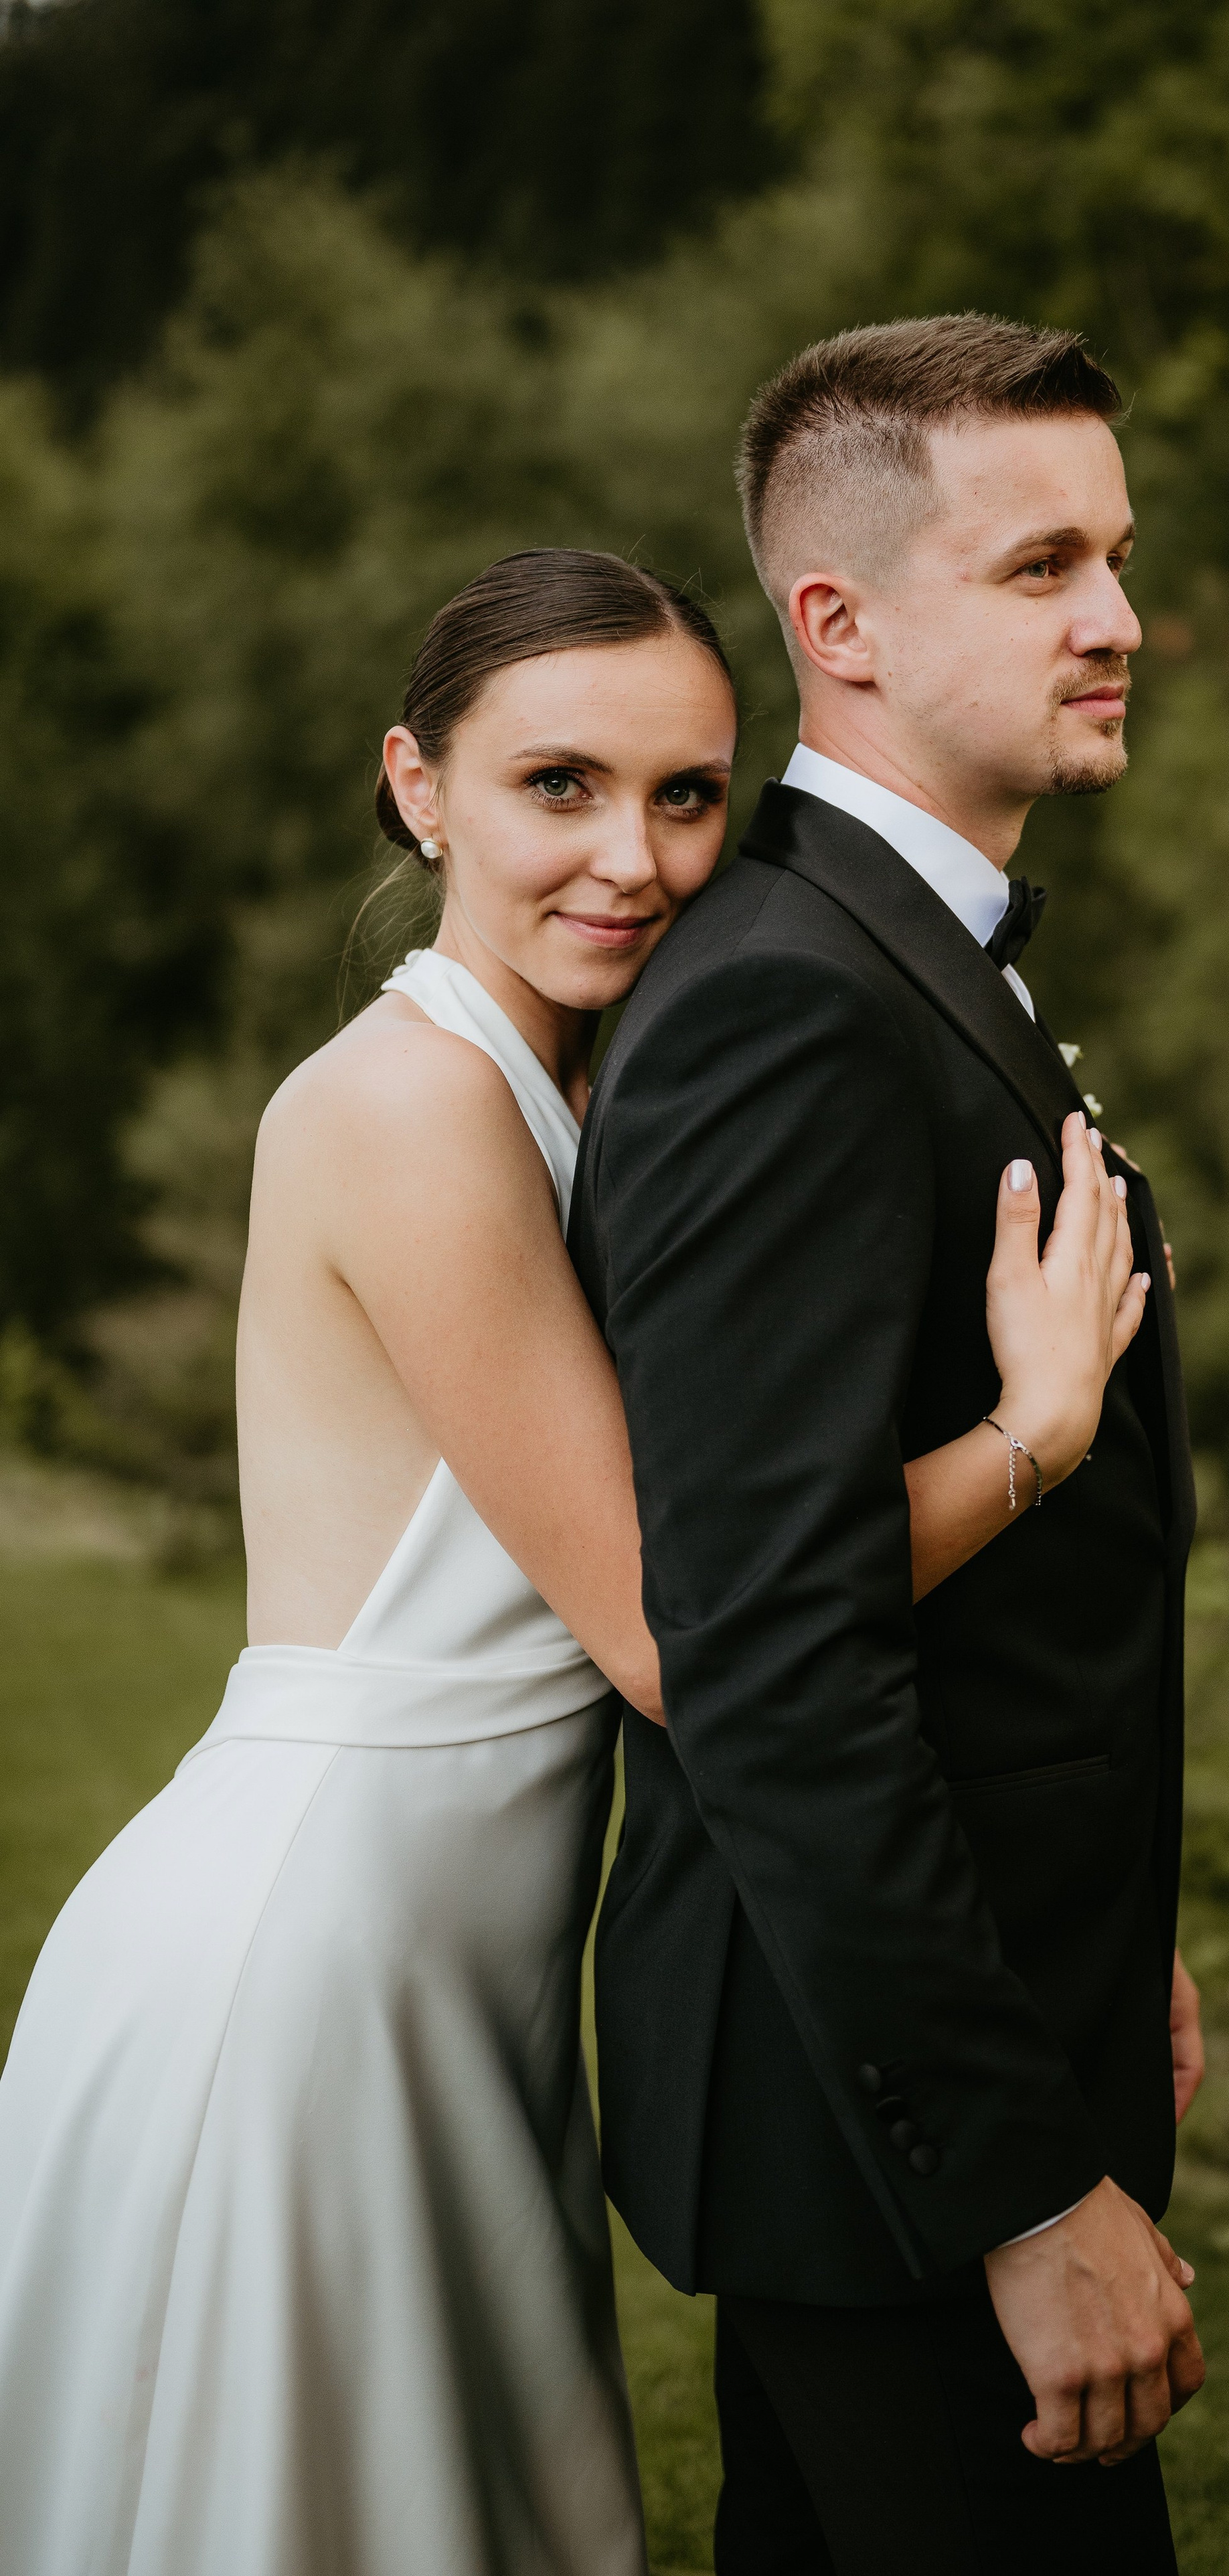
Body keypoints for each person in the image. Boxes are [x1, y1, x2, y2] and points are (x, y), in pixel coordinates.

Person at [0, 545, 1149, 2576]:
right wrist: (1031, 1438)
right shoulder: (408, 1108)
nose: (634, 858)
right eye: (559, 786)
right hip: (318, 1953)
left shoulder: (578, 1082)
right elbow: (678, 1633)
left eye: (687, 795)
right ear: (418, 786)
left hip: (466, 1951)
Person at [573, 317, 1205, 2576]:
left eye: (1116, 557)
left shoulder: (888, 950)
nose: (1119, 619)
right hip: (891, 2142)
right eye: (1042, 567)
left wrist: (1112, 1934)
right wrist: (1022, 2184)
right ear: (836, 626)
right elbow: (773, 1660)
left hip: (947, 2032)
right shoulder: (786, 1001)